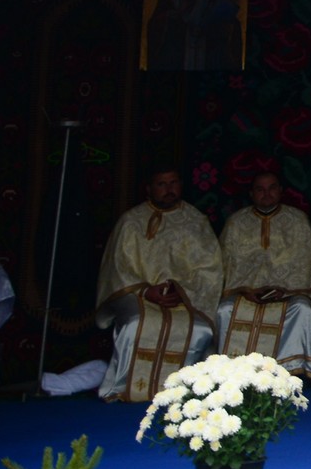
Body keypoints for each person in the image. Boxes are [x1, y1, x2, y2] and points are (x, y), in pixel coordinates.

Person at [94, 167, 223, 401]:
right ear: (149, 189)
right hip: (137, 294)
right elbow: (118, 267)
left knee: (198, 328)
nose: (168, 189)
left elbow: (210, 267)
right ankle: (125, 388)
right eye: (161, 184)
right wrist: (146, 290)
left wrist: (180, 290)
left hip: (183, 296)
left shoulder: (196, 221)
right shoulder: (131, 221)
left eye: (173, 183)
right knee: (137, 323)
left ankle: (184, 392)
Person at [214, 170, 311, 381]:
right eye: (260, 189)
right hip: (245, 294)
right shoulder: (236, 222)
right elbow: (226, 263)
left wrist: (285, 289)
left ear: (280, 191)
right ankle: (232, 374)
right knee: (225, 310)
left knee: (303, 309)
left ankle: (292, 371)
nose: (266, 194)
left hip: (287, 294)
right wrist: (244, 289)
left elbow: (304, 261)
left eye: (272, 188)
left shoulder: (297, 220)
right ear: (252, 193)